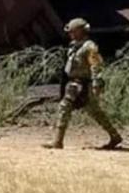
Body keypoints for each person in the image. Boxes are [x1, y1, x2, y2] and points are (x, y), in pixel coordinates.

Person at [45, 18, 122, 150]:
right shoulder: (74, 45)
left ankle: (58, 142)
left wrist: (96, 83)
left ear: (80, 31)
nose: (70, 34)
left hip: (83, 85)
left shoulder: (89, 47)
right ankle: (115, 136)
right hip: (73, 83)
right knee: (94, 112)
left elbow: (96, 65)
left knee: (66, 107)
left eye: (73, 31)